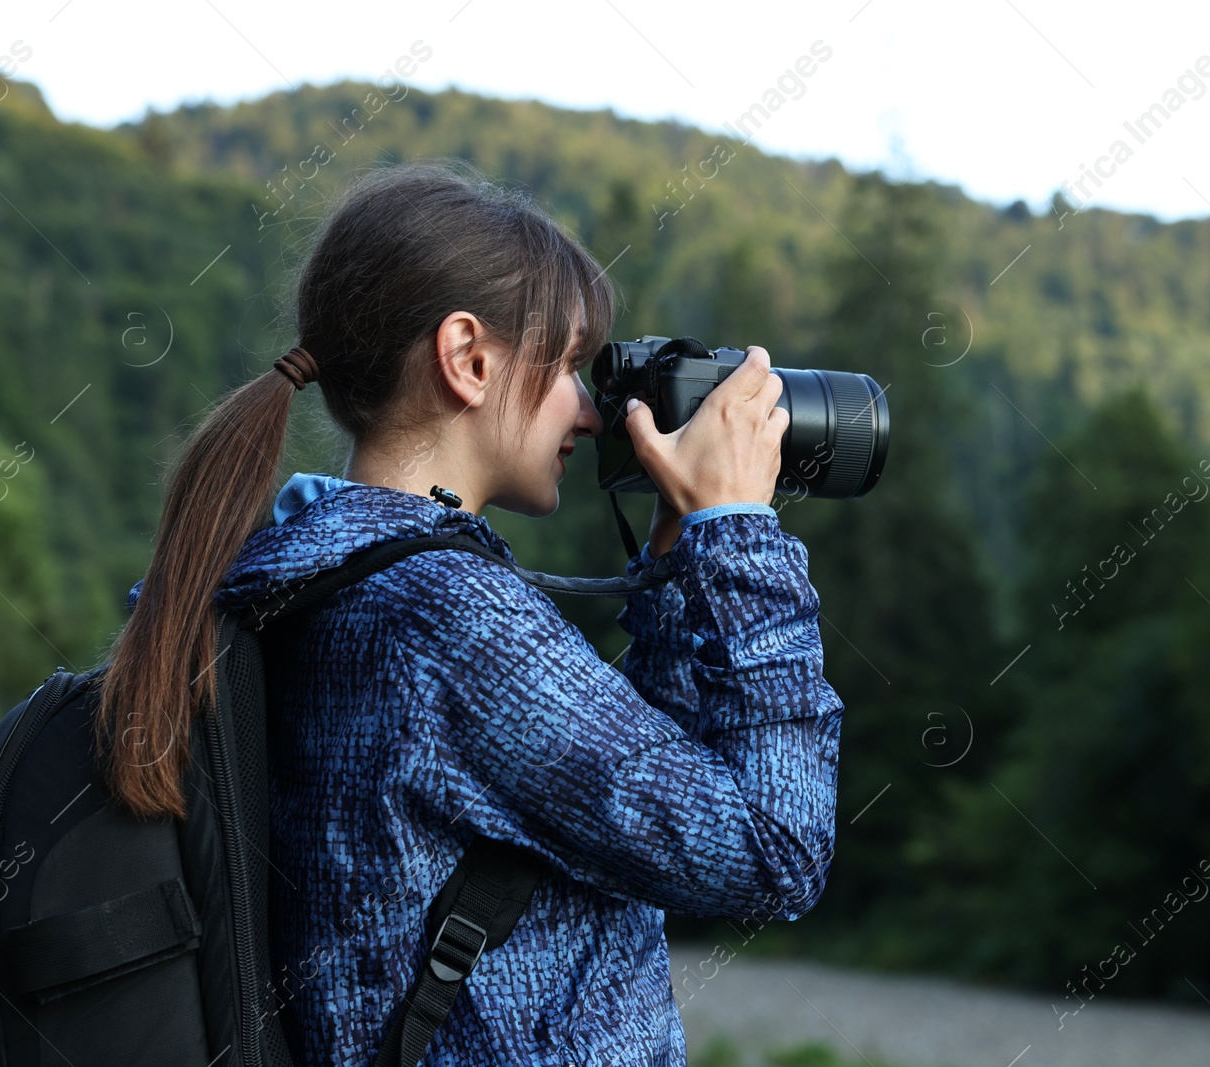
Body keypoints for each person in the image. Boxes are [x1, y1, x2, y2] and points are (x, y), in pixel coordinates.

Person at [101, 160, 844, 1066]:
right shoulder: (444, 618)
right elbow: (774, 849)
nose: (590, 407)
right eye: (568, 363)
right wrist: (741, 535)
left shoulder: (309, 578)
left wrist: (679, 561)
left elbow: (632, 804)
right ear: (470, 358)